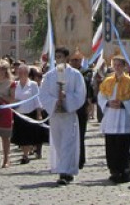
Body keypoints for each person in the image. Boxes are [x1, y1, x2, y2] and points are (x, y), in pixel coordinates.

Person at [38, 47, 87, 185]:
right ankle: (65, 168)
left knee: (68, 142)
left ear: (66, 58)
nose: (58, 59)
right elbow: (43, 94)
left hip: (69, 115)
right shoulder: (49, 76)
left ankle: (64, 172)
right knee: (58, 143)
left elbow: (80, 94)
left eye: (61, 56)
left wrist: (67, 98)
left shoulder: (75, 75)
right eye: (56, 57)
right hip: (55, 115)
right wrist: (55, 102)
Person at [98, 56, 130, 183]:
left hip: (123, 117)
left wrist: (123, 104)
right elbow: (101, 96)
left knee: (123, 145)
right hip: (111, 116)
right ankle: (114, 171)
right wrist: (107, 103)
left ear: (124, 66)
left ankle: (125, 170)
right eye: (114, 65)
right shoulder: (107, 81)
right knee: (111, 145)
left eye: (119, 65)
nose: (117, 67)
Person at [11, 63, 43, 164]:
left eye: (24, 72)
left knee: (29, 135)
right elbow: (11, 98)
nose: (22, 74)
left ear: (28, 73)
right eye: (20, 72)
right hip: (18, 113)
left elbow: (36, 99)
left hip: (30, 113)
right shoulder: (15, 84)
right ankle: (25, 154)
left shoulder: (33, 84)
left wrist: (39, 113)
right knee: (21, 136)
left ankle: (26, 154)